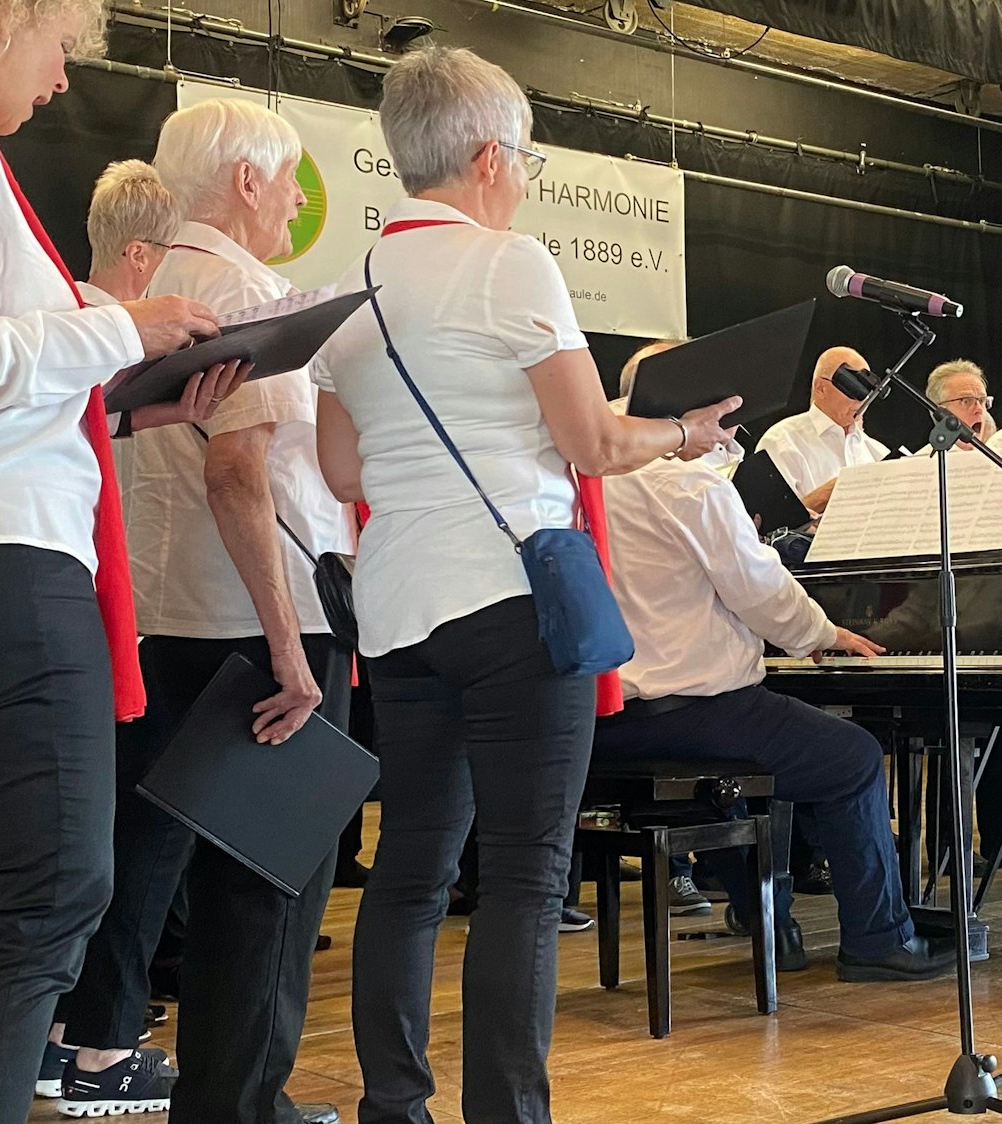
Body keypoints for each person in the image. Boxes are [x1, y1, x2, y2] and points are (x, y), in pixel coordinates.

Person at [307, 46, 741, 1123]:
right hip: (512, 598)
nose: (531, 177)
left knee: (410, 868)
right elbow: (591, 440)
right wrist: (683, 432)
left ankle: (393, 1103)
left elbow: (343, 472)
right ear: (493, 155)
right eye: (531, 157)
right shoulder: (513, 263)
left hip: (400, 609)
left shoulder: (344, 289)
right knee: (525, 875)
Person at [0, 8, 222, 1120]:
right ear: (3, 14)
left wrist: (122, 386)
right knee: (46, 894)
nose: (65, 77)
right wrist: (124, 327)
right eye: (63, 40)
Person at [61, 97, 353, 1124]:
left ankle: (220, 1097)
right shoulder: (245, 290)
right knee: (268, 895)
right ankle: (239, 1106)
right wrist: (290, 642)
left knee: (199, 880)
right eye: (286, 182)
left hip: (165, 616)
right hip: (253, 619)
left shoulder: (154, 287)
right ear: (244, 179)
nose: (289, 201)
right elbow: (241, 472)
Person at [596, 416, 958, 981]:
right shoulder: (690, 483)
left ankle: (773, 924)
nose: (727, 436)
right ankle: (879, 940)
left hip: (609, 720)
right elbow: (758, 588)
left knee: (726, 780)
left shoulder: (586, 474)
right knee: (853, 758)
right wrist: (823, 634)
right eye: (721, 420)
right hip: (696, 711)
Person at [39, 153, 240, 1112]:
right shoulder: (83, 327)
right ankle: (91, 1057)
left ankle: (56, 1040)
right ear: (143, 253)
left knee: (77, 837)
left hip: (89, 613)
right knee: (92, 842)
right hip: (75, 612)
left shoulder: (70, 335)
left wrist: (149, 409)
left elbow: (68, 422)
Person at [756, 347, 887, 514]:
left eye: (869, 390)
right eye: (853, 387)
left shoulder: (877, 452)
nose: (862, 400)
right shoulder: (780, 441)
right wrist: (833, 491)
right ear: (821, 388)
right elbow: (770, 521)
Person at [925, 358, 996, 441]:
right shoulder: (925, 454)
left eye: (982, 400)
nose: (979, 409)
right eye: (966, 401)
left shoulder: (1001, 451)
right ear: (940, 412)